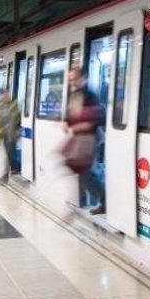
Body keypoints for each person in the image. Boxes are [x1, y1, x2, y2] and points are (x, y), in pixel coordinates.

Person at [62, 67, 104, 214]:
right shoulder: (74, 95)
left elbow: (92, 121)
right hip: (78, 139)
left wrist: (73, 128)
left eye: (74, 78)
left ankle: (103, 200)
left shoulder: (91, 96)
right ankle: (84, 199)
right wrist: (66, 123)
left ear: (83, 78)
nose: (71, 82)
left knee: (85, 172)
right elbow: (70, 114)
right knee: (79, 170)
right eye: (70, 79)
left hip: (89, 138)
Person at [0, 88, 21, 181]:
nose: (6, 96)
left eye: (7, 94)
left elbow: (18, 117)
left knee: (10, 152)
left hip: (13, 133)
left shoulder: (13, 104)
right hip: (4, 133)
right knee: (8, 153)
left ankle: (8, 172)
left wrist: (19, 129)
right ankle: (13, 169)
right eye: (4, 94)